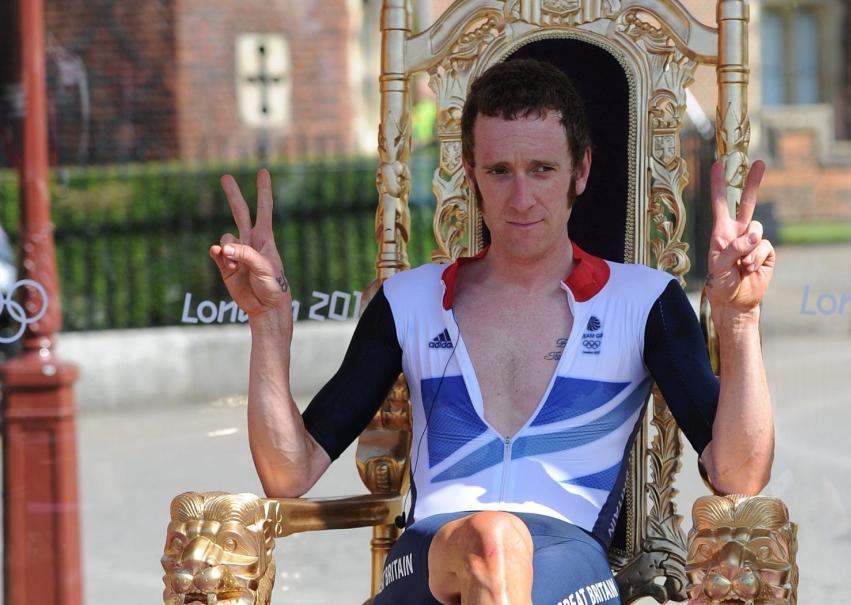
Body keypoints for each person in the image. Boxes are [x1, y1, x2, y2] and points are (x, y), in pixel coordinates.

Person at [208, 59, 775, 605]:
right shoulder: (409, 302)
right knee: (489, 540)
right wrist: (269, 325)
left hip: (570, 563)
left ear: (581, 171)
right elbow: (289, 473)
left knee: (498, 542)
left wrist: (741, 319)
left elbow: (739, 473)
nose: (521, 198)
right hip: (428, 560)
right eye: (500, 171)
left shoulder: (644, 302)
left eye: (542, 170)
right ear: (472, 175)